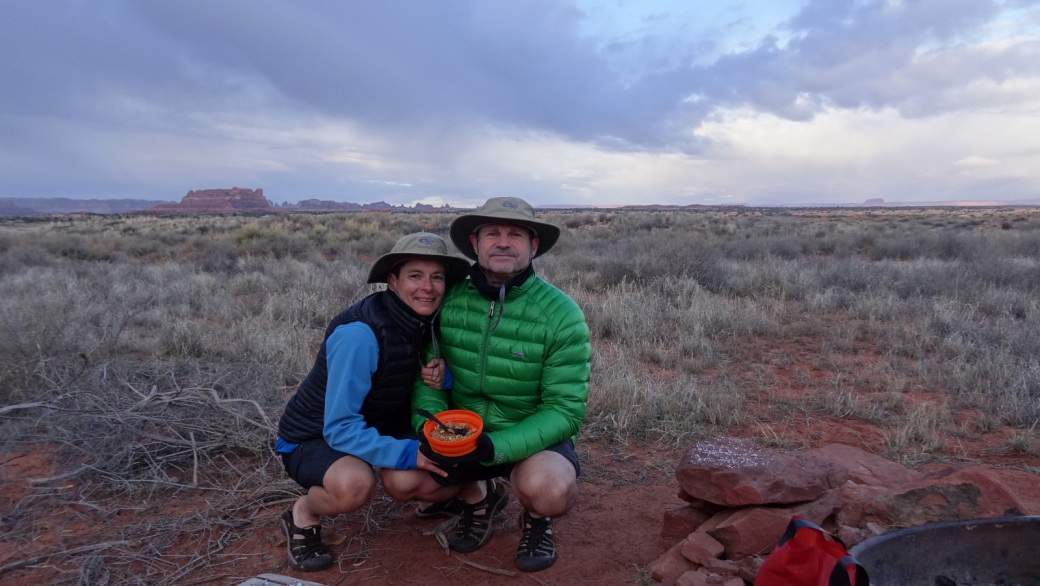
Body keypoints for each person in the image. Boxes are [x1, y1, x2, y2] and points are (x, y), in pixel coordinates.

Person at [391, 197, 591, 573]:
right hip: (459, 432)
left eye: (515, 234)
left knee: (549, 490)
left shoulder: (561, 315)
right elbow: (428, 377)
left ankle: (535, 518)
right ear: (474, 243)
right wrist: (432, 429)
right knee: (401, 480)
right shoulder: (445, 299)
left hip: (527, 434)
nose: (503, 242)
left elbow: (564, 410)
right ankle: (478, 496)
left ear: (533, 246)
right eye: (492, 233)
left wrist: (495, 447)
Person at [275, 232, 469, 572]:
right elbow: (339, 427)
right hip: (314, 436)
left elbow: (404, 376)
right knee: (354, 485)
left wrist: (445, 377)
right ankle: (303, 514)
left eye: (436, 277)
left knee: (437, 463)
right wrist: (410, 453)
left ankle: (469, 496)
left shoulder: (426, 321)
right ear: (392, 282)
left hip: (374, 423)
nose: (428, 286)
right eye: (415, 276)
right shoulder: (359, 334)